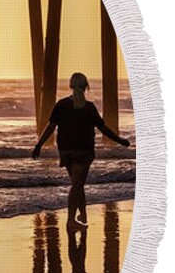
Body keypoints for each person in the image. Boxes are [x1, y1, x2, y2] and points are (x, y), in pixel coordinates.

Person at [32, 72, 130, 230]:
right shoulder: (89, 107)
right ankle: (71, 220)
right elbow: (103, 128)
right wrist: (120, 140)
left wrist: (39, 145)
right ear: (86, 87)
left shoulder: (61, 104)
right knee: (77, 185)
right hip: (83, 151)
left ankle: (82, 216)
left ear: (71, 86)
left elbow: (50, 127)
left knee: (78, 184)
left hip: (66, 151)